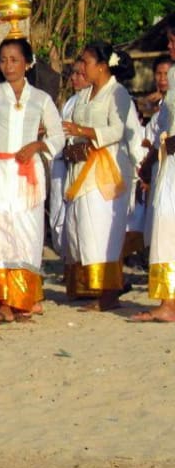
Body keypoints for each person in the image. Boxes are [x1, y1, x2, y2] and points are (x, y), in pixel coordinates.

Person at [0, 38, 65, 324]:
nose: (8, 66)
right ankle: (4, 303)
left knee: (27, 234)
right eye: (3, 60)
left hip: (27, 175)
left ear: (27, 63)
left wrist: (38, 146)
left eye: (14, 60)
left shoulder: (41, 98)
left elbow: (58, 135)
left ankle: (24, 300)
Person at [61, 41, 134, 312]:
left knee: (103, 231)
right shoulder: (84, 94)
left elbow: (117, 130)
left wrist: (83, 131)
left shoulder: (118, 92)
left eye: (86, 62)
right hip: (81, 166)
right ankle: (95, 287)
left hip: (105, 169)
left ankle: (110, 293)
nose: (82, 66)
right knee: (83, 229)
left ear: (102, 66)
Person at [132, 23, 175, 322]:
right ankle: (168, 301)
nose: (170, 46)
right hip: (169, 162)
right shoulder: (173, 75)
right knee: (164, 226)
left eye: (173, 41)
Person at [49, 59, 91, 262]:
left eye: (79, 74)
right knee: (60, 213)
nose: (74, 78)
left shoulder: (93, 101)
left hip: (85, 164)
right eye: (73, 73)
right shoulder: (71, 101)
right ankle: (69, 263)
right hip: (63, 162)